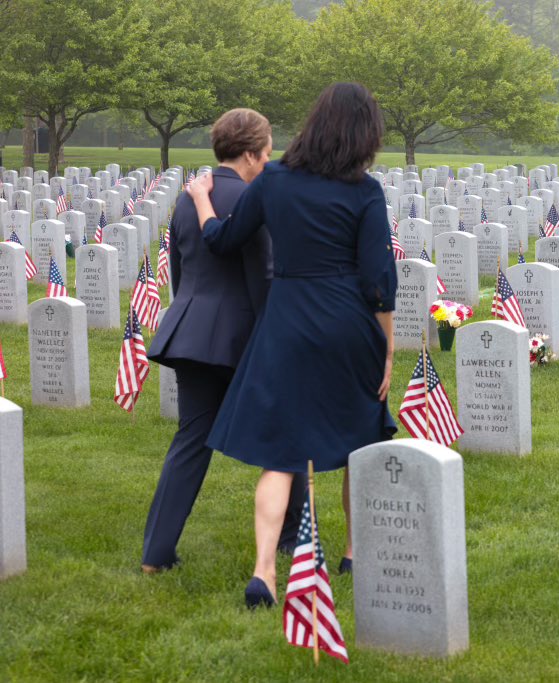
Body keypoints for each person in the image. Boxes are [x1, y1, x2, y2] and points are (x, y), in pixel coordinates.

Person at [187, 83, 397, 608]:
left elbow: (224, 240)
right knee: (359, 441)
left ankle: (264, 571)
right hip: (348, 323)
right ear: (365, 135)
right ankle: (352, 552)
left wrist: (202, 202)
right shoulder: (365, 192)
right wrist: (388, 347)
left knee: (280, 453)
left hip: (287, 321)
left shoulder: (274, 179)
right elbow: (378, 280)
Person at [142, 108, 306, 574]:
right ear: (251, 154)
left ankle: (155, 553)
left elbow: (179, 269)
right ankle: (293, 540)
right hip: (243, 336)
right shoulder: (255, 198)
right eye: (267, 151)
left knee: (191, 441)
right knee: (287, 433)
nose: (270, 159)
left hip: (190, 331)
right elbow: (265, 275)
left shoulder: (188, 198)